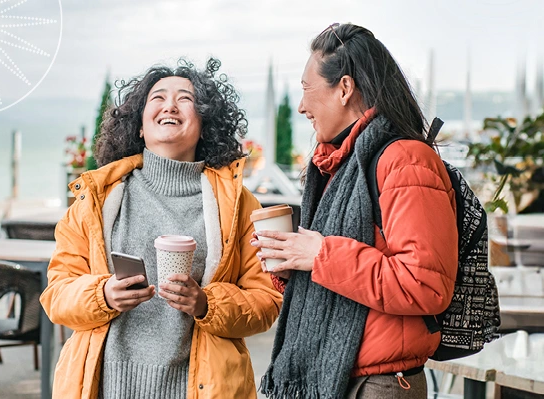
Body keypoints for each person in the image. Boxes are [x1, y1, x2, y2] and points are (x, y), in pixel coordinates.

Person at [40, 58, 282, 399]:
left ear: (205, 124)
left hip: (200, 389)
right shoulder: (96, 200)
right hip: (104, 387)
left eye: (185, 98)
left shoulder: (239, 205)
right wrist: (103, 295)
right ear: (139, 125)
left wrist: (205, 303)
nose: (170, 104)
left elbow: (265, 302)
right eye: (158, 98)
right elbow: (56, 295)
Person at [252, 23, 458, 399]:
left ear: (344, 88)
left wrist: (319, 255)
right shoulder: (337, 165)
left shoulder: (406, 160)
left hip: (377, 385)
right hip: (339, 379)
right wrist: (290, 263)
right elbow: (337, 273)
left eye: (306, 89)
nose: (300, 106)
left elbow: (425, 285)